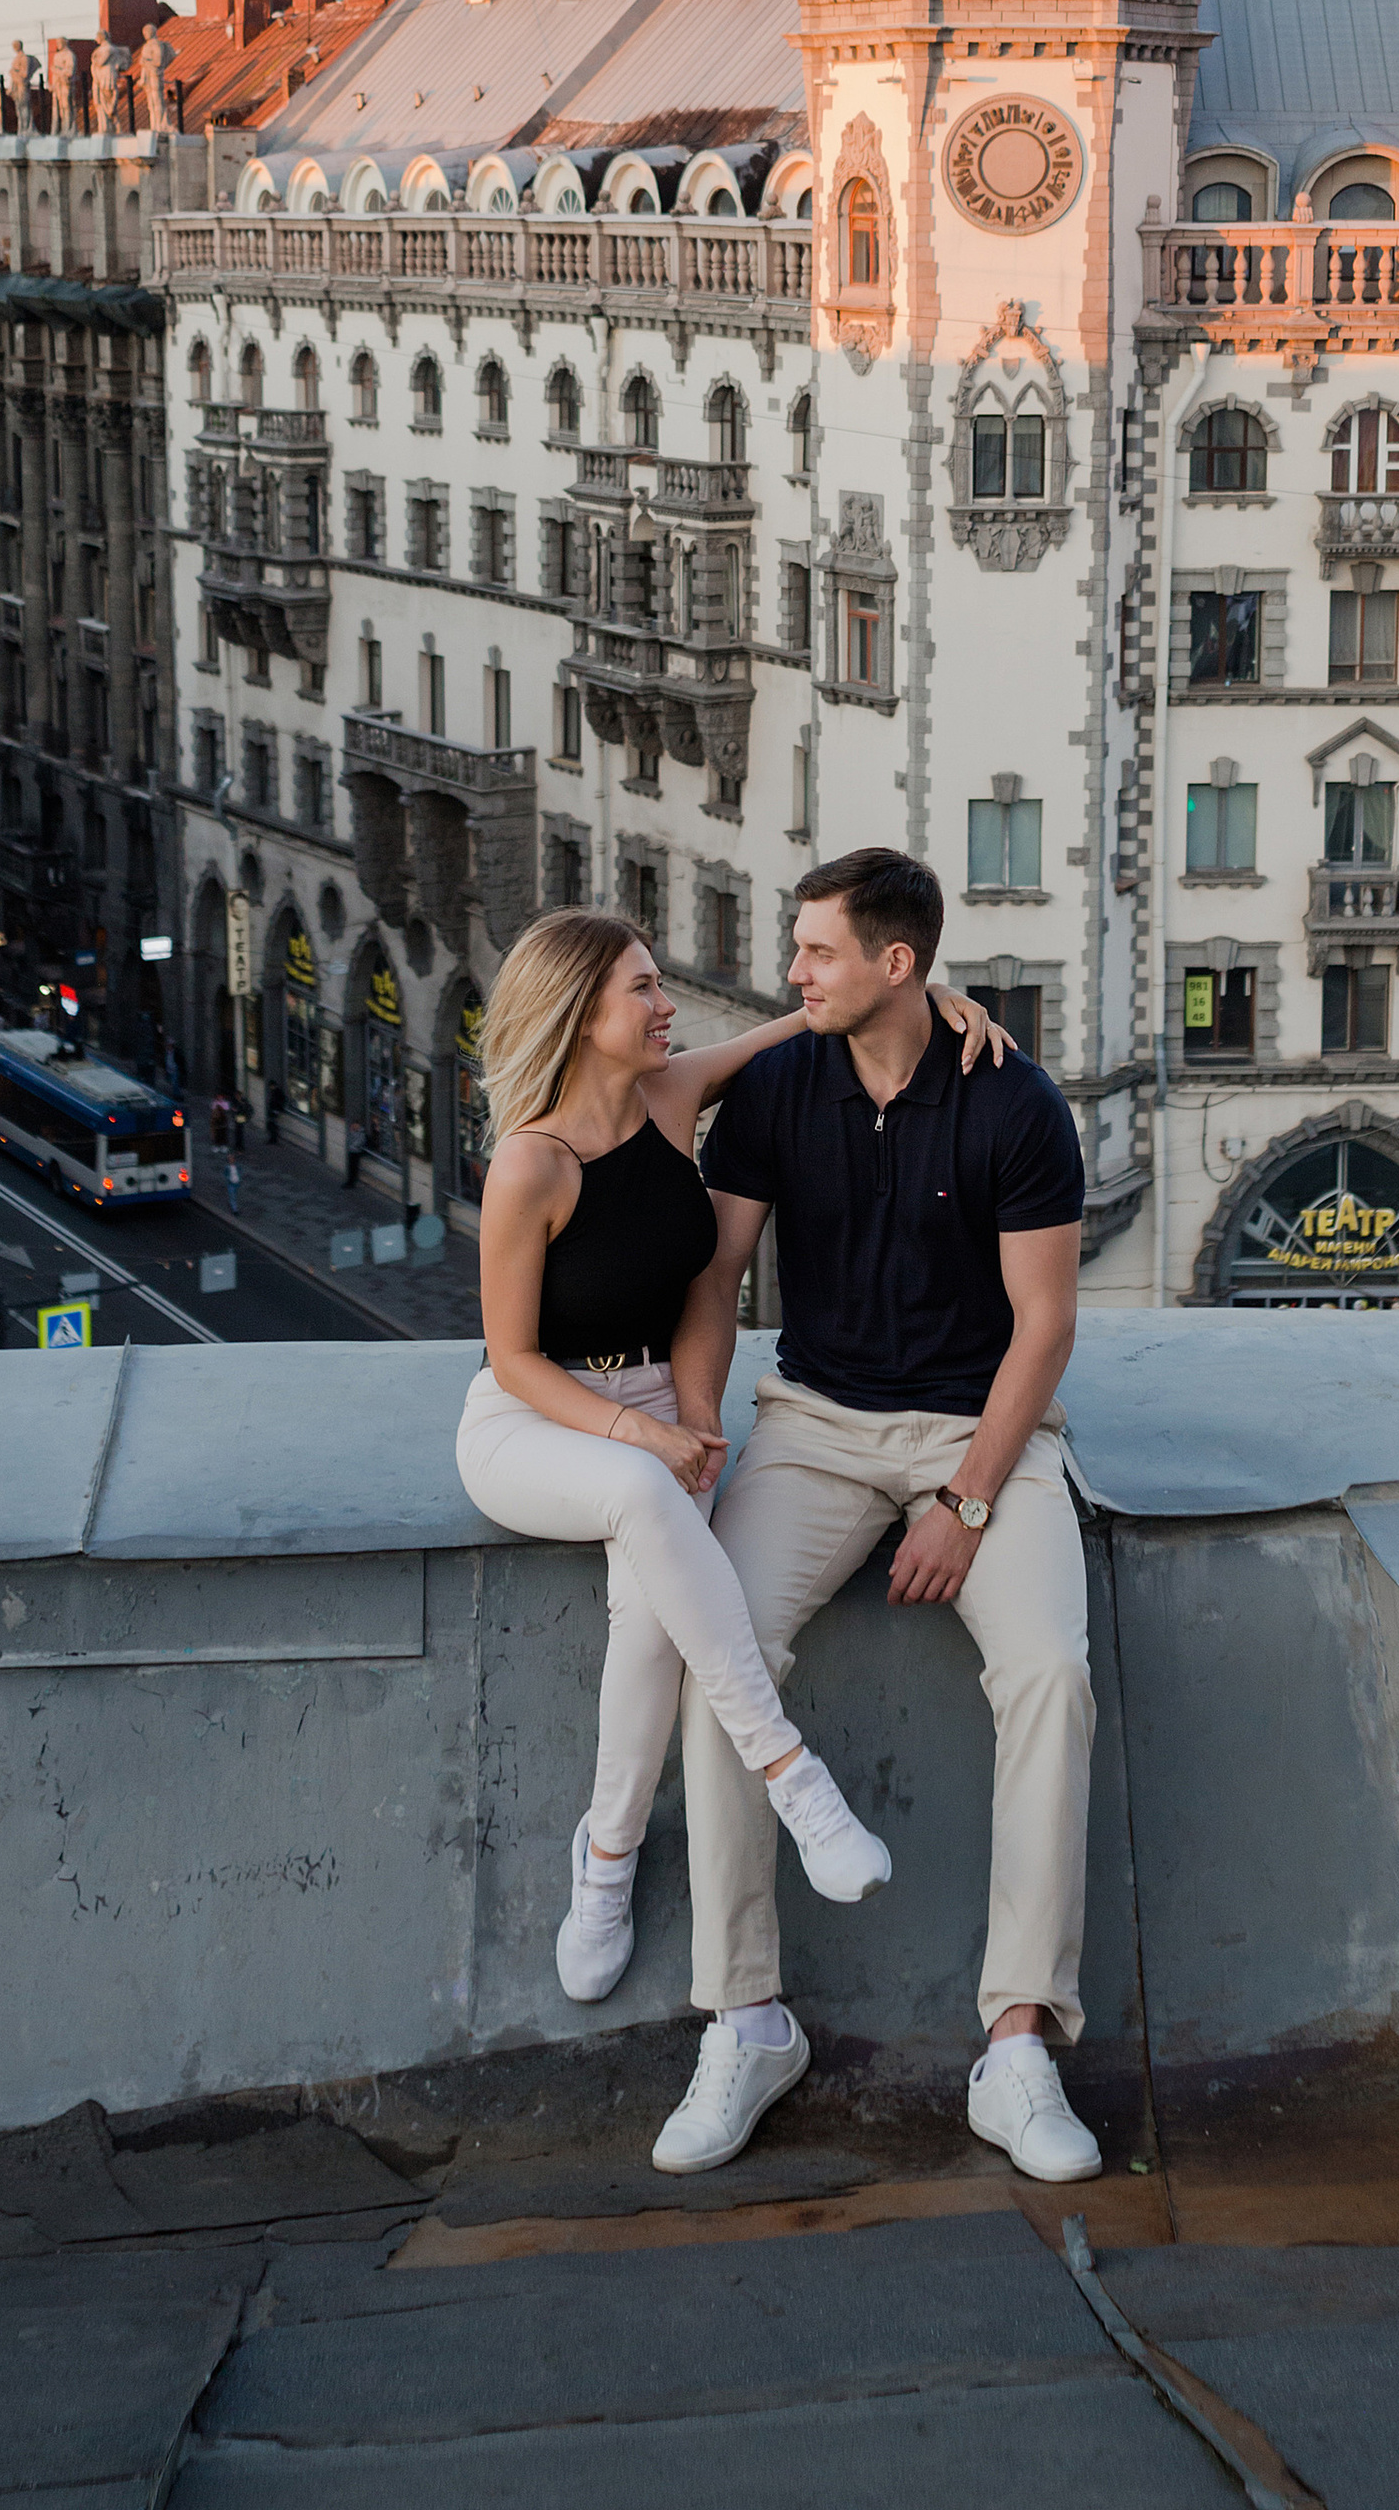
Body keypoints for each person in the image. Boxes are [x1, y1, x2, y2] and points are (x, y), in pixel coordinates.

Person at [454, 907, 1016, 2014]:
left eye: (659, 985)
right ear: (577, 1014)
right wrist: (643, 1432)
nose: (666, 1007)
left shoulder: (669, 1098)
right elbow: (513, 1359)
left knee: (648, 1615)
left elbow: (805, 1025)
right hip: (540, 1421)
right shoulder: (529, 1164)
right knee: (635, 1493)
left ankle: (605, 1857)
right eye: (641, 991)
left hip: (659, 1409)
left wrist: (936, 1007)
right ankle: (794, 1778)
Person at [655, 846, 1098, 2193]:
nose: (793, 974)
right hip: (815, 1425)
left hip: (988, 1439)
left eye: (817, 954)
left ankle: (1017, 2044)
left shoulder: (1017, 1103)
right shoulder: (782, 1086)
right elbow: (718, 1272)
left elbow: (1048, 1326)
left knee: (1051, 1681)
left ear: (895, 965)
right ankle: (747, 2020)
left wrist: (967, 1500)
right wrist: (700, 1422)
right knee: (718, 1657)